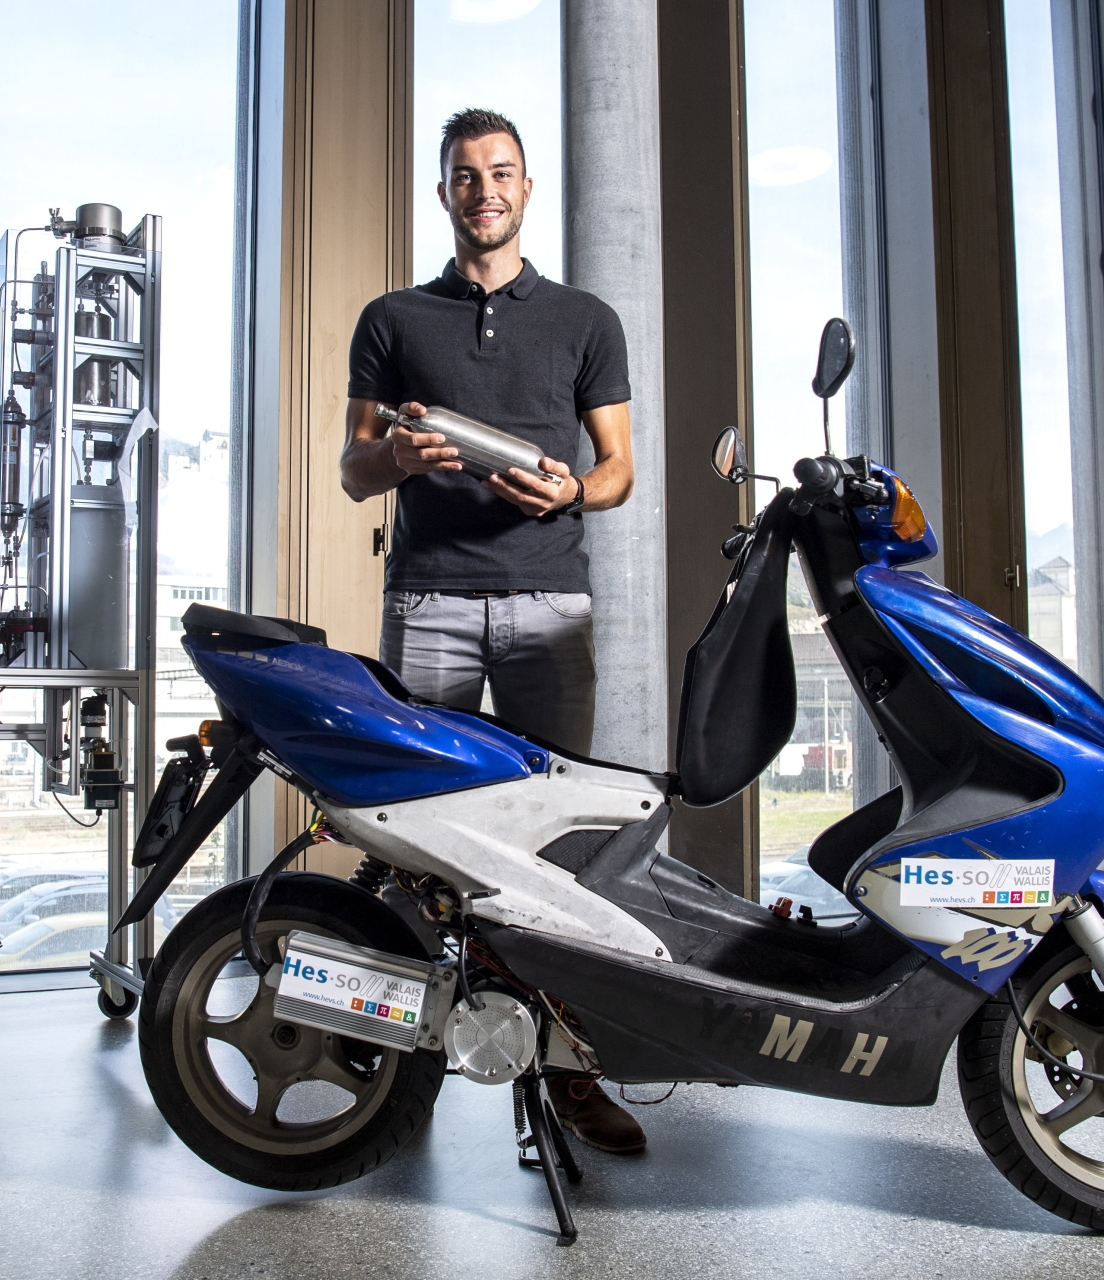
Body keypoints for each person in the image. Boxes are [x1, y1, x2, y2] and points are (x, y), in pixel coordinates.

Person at [339, 107, 646, 1156]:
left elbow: (618, 468)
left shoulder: (586, 320)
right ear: (444, 193)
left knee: (562, 849)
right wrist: (400, 463)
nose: (485, 190)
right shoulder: (391, 318)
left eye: (501, 173)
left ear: (526, 187)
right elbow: (354, 466)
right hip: (428, 603)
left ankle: (571, 1074)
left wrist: (571, 490)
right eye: (465, 176)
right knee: (409, 838)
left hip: (549, 607)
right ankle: (392, 1071)